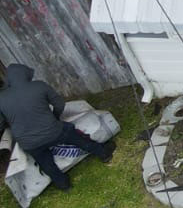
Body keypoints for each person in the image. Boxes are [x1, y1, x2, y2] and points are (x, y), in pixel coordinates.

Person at [0, 62, 113, 192]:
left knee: (46, 162)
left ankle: (64, 185)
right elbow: (59, 104)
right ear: (25, 74)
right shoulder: (39, 86)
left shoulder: (1, 98)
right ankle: (104, 154)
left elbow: (1, 124)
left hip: (29, 143)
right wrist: (55, 118)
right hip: (53, 131)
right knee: (78, 138)